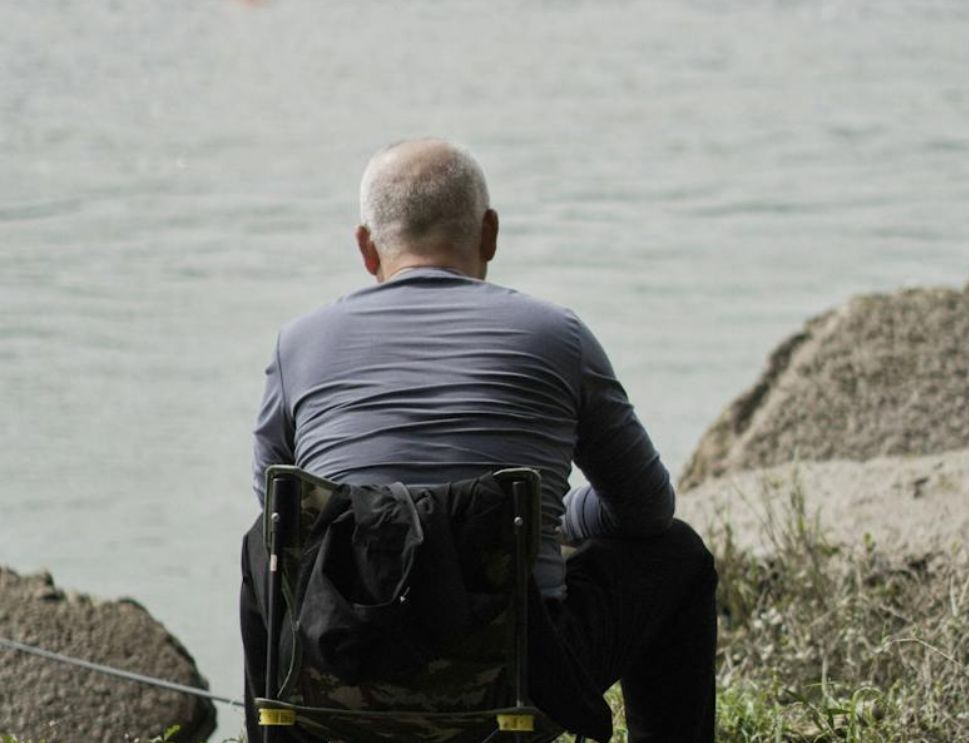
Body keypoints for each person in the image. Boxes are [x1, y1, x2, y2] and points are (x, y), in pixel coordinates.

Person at [240, 138, 717, 742]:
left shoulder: (298, 346)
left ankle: (281, 728)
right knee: (676, 554)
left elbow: (284, 518)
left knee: (265, 544)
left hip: (343, 677)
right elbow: (648, 511)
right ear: (489, 233)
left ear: (366, 247)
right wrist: (544, 520)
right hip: (519, 689)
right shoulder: (557, 337)